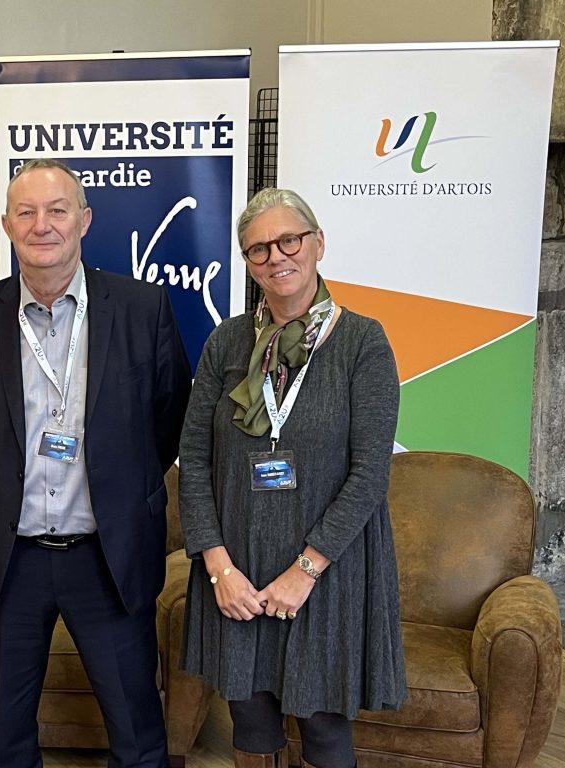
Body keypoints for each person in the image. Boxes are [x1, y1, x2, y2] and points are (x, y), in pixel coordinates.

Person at [0, 159, 192, 768]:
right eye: (26, 211)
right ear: (6, 224)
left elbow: (169, 419)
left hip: (107, 554)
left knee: (135, 725)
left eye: (57, 210)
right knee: (7, 729)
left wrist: (115, 485)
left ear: (85, 220)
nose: (42, 224)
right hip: (11, 556)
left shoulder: (142, 307)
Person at [178, 188, 406, 768]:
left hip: (325, 571)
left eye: (289, 240)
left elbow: (370, 473)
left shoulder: (363, 342)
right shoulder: (226, 342)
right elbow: (194, 460)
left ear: (317, 243)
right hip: (238, 570)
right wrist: (218, 568)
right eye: (258, 249)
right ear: (248, 263)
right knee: (250, 720)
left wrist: (305, 571)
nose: (276, 256)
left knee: (324, 727)